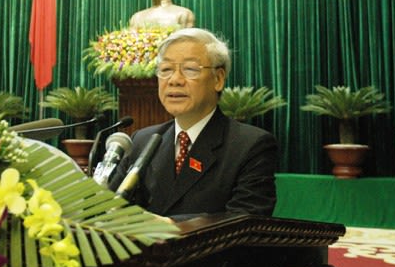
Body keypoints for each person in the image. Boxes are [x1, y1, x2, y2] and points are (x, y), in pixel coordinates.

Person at [108, 28, 278, 219]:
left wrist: (167, 225)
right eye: (166, 70)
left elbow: (246, 219)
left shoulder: (250, 145)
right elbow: (110, 208)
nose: (175, 80)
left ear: (218, 79)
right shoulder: (143, 140)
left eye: (190, 69)